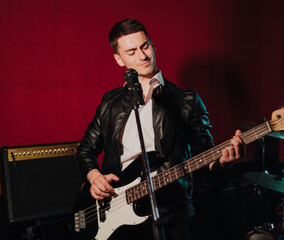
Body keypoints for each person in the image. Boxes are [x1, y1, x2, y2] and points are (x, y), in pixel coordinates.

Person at [76, 18, 245, 240]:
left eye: (145, 46)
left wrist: (222, 162)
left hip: (170, 214)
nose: (143, 56)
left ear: (153, 45)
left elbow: (205, 155)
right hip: (115, 211)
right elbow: (85, 149)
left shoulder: (187, 101)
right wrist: (94, 175)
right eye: (132, 51)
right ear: (118, 59)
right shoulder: (110, 102)